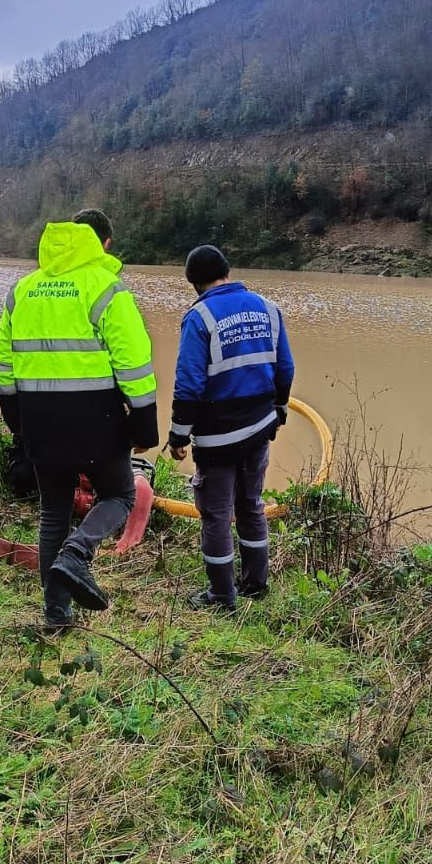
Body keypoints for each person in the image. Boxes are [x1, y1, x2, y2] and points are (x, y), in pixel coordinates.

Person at [0, 208, 158, 627]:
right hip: (97, 418)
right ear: (103, 244)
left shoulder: (22, 290)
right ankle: (78, 552)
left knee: (53, 512)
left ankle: (56, 615)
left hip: (39, 420)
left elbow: (3, 366)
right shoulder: (107, 288)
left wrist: (18, 423)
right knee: (120, 495)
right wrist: (143, 426)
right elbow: (134, 364)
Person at [168, 245, 294, 613]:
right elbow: (285, 369)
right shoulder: (268, 309)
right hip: (258, 429)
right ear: (227, 270)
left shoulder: (199, 317)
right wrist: (280, 409)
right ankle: (256, 583)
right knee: (251, 504)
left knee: (216, 513)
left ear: (194, 283)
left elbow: (188, 384)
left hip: (218, 437)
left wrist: (178, 436)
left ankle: (222, 597)